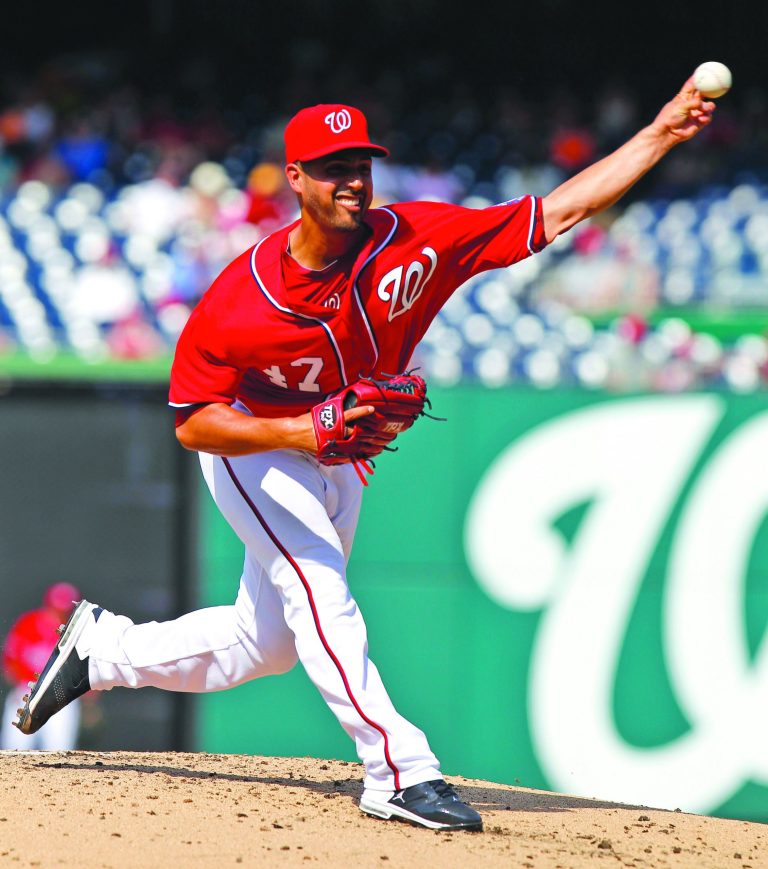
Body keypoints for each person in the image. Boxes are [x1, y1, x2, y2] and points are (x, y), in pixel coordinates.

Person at [14, 78, 715, 829]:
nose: (352, 181)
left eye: (361, 164)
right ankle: (398, 771)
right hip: (258, 443)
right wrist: (298, 432)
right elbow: (193, 422)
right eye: (332, 167)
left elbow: (557, 211)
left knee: (266, 644)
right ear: (295, 179)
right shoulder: (242, 300)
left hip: (343, 448)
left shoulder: (414, 238)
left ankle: (103, 650)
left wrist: (662, 133)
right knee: (319, 589)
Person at [2, 583, 83, 750]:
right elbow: (10, 660)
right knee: (14, 748)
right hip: (26, 691)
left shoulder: (77, 631)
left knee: (60, 750)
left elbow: (85, 668)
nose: (60, 613)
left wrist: (89, 702)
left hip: (62, 694)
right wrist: (19, 687)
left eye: (65, 609)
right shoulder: (28, 624)